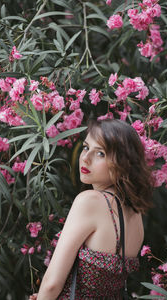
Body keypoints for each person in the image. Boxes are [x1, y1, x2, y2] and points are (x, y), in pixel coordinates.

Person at [29, 119, 153, 300]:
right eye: (86, 147)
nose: (85, 158)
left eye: (101, 153)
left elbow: (52, 283)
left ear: (123, 162)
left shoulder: (90, 201)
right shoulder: (134, 211)